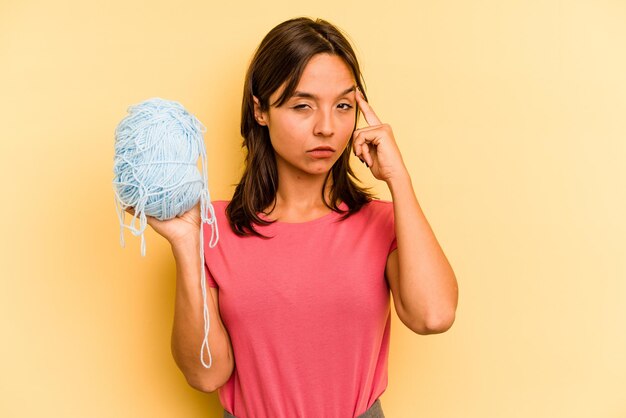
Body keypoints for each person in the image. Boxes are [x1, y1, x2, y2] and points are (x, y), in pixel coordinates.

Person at [133, 17, 458, 418]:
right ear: (260, 110)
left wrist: (398, 179)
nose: (326, 127)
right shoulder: (212, 229)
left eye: (342, 106)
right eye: (303, 106)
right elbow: (207, 375)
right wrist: (186, 247)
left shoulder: (384, 222)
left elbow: (434, 315)